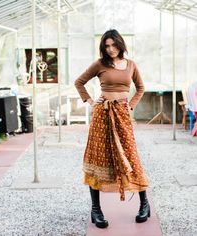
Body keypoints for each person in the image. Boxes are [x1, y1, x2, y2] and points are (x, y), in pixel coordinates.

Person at [74, 29, 150, 229]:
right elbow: (79, 82)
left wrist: (131, 105)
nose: (110, 49)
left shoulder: (131, 65)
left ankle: (144, 204)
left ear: (120, 44)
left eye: (113, 44)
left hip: (123, 116)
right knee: (97, 158)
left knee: (131, 157)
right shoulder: (100, 64)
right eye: (106, 46)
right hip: (102, 115)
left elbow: (141, 87)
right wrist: (91, 101)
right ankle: (96, 209)